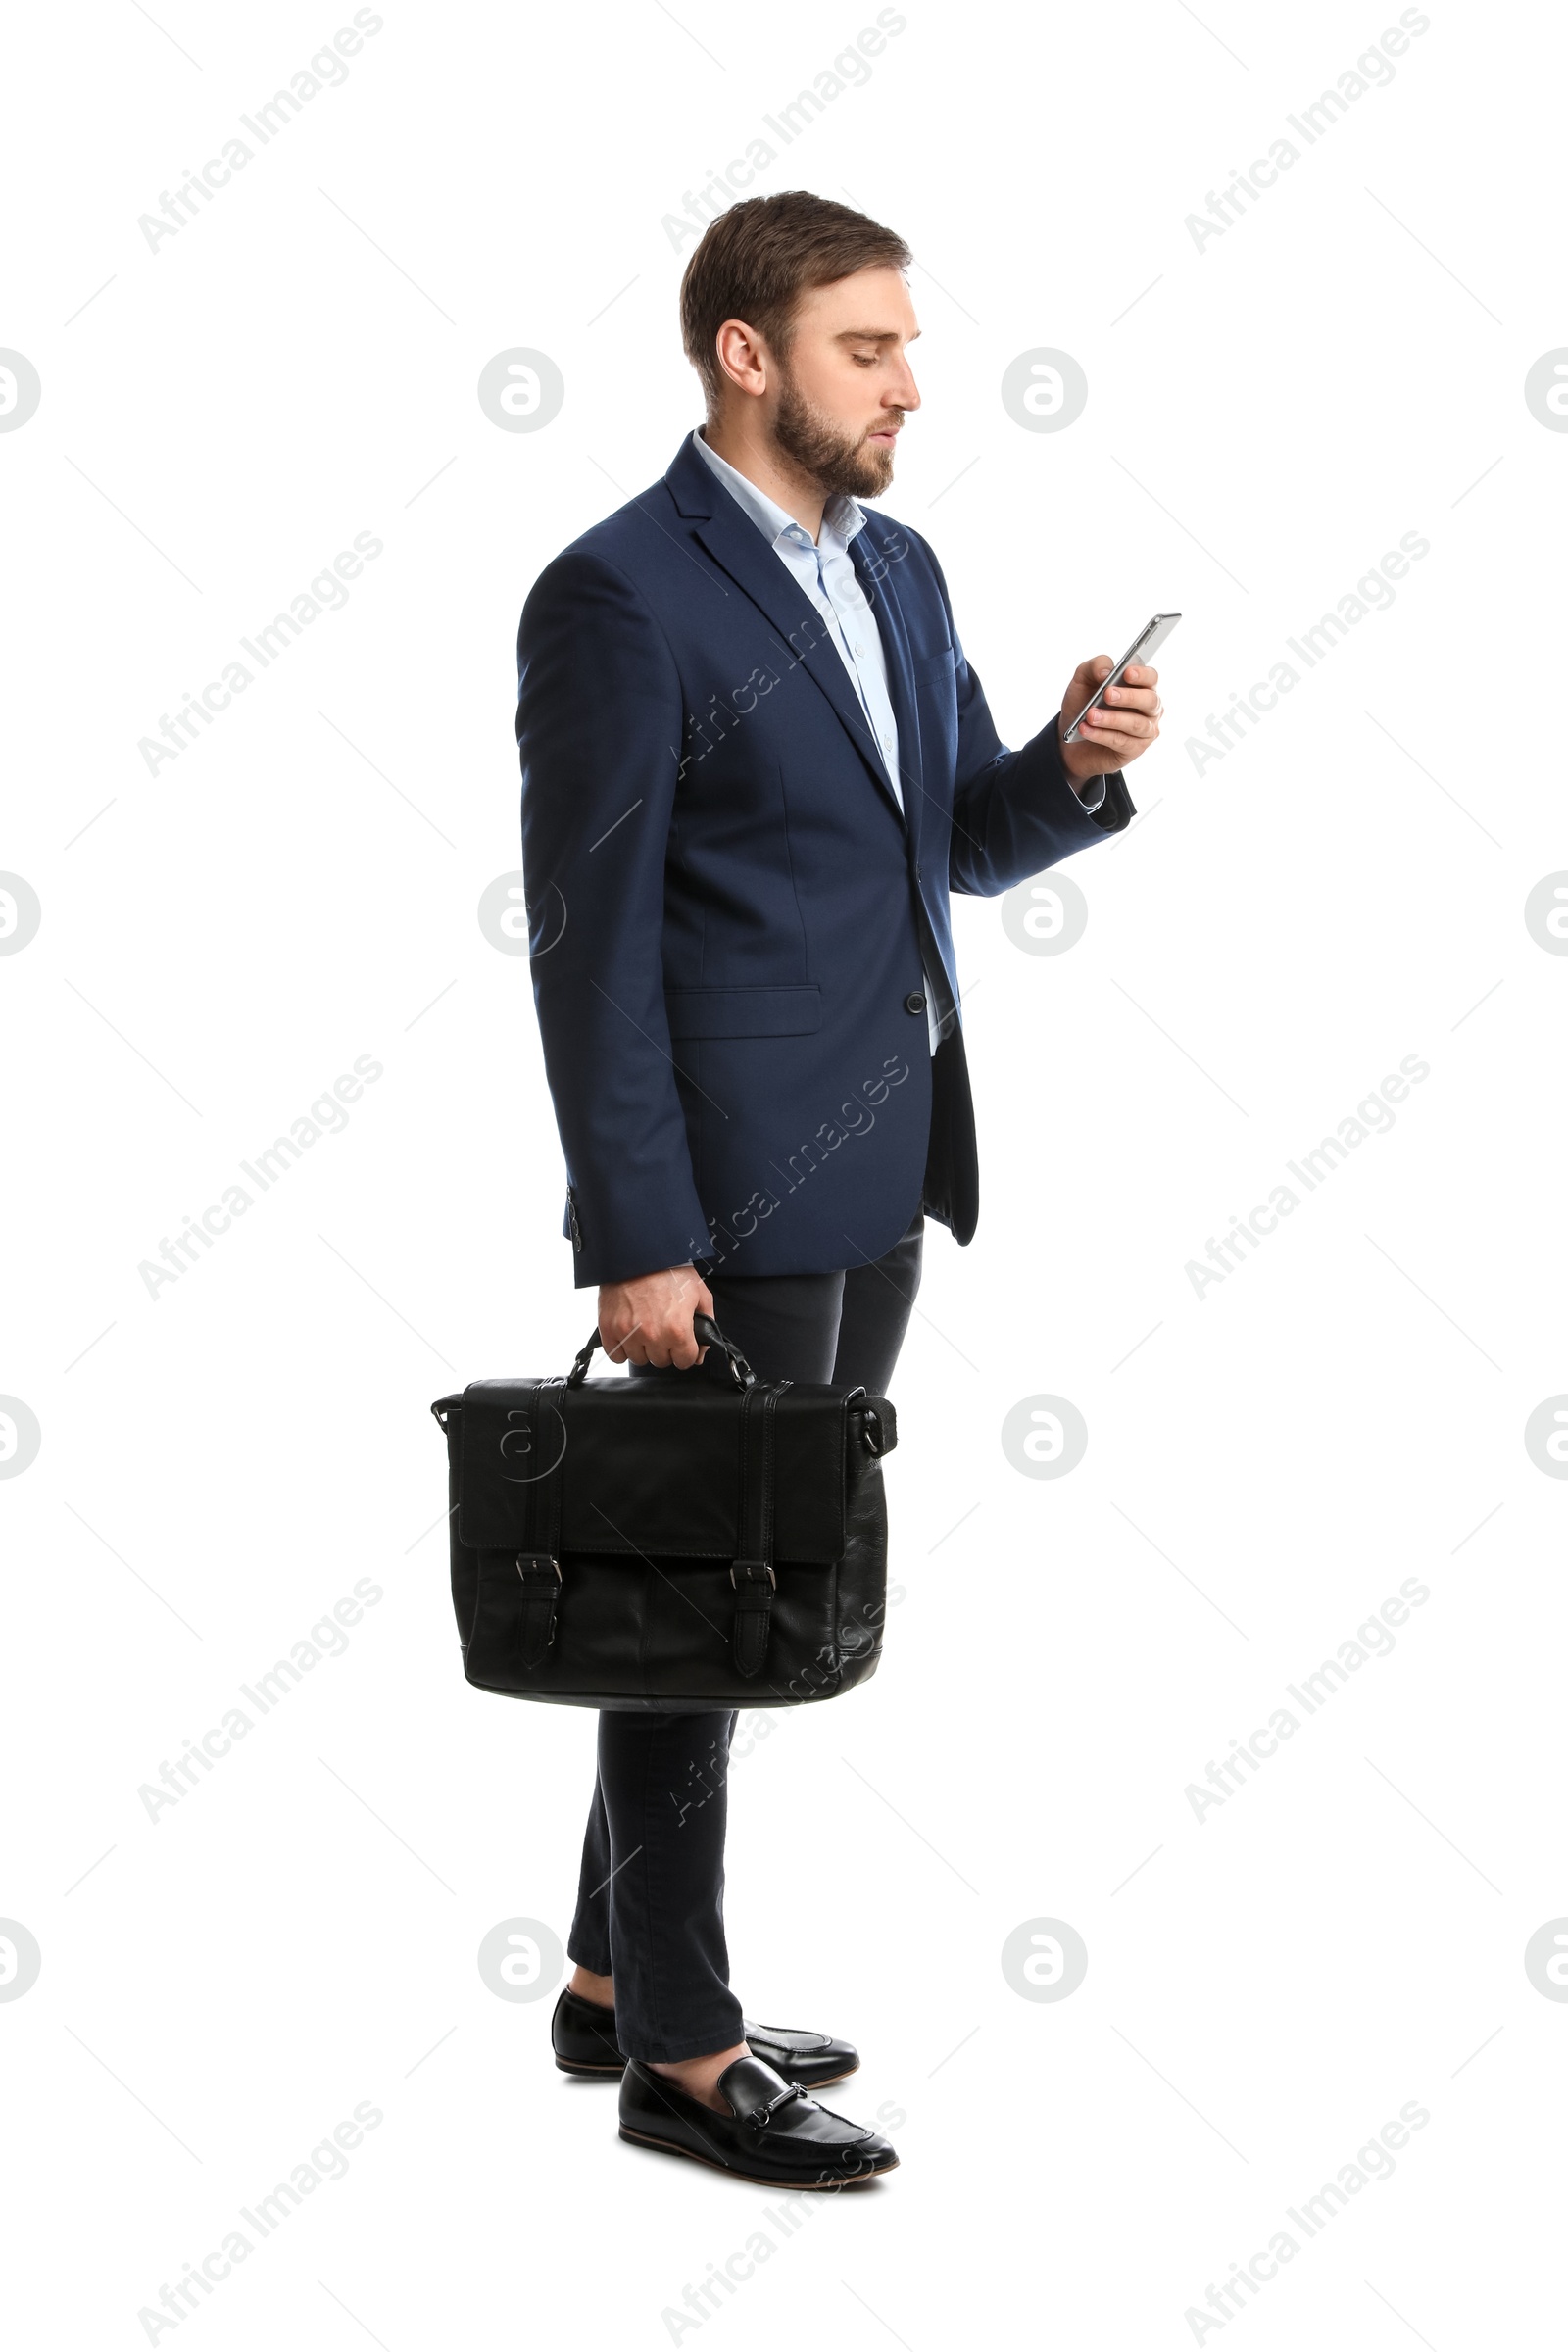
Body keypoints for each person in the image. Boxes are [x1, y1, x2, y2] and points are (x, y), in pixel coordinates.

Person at [514, 190, 1163, 2186]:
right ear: (744, 353)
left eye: (904, 344)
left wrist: (1061, 762)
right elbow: (587, 940)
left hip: (884, 1168)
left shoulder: (901, 571)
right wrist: (635, 1234)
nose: (907, 381)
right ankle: (684, 2061)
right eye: (865, 347)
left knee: (738, 1591)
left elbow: (945, 841)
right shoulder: (619, 598)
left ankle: (620, 1974)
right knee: (702, 1618)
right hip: (720, 1201)